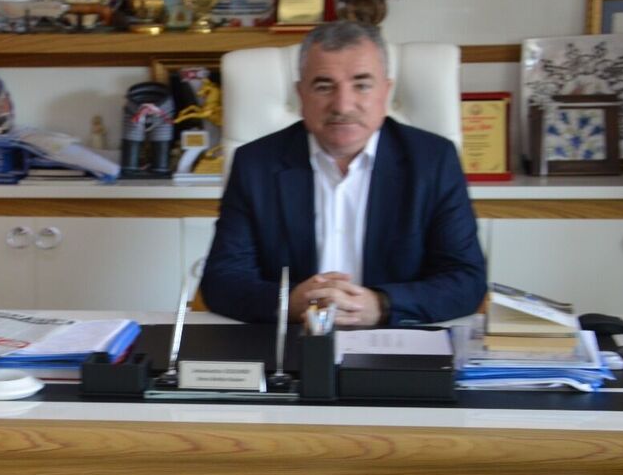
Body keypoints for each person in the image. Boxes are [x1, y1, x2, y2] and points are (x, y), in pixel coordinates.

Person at [201, 21, 486, 326]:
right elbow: (222, 280)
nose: (342, 105)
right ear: (301, 95)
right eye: (324, 86)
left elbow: (466, 281)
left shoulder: (433, 161)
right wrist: (290, 302)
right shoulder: (255, 164)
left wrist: (382, 305)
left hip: (394, 340)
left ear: (386, 92)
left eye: (361, 85)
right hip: (292, 341)